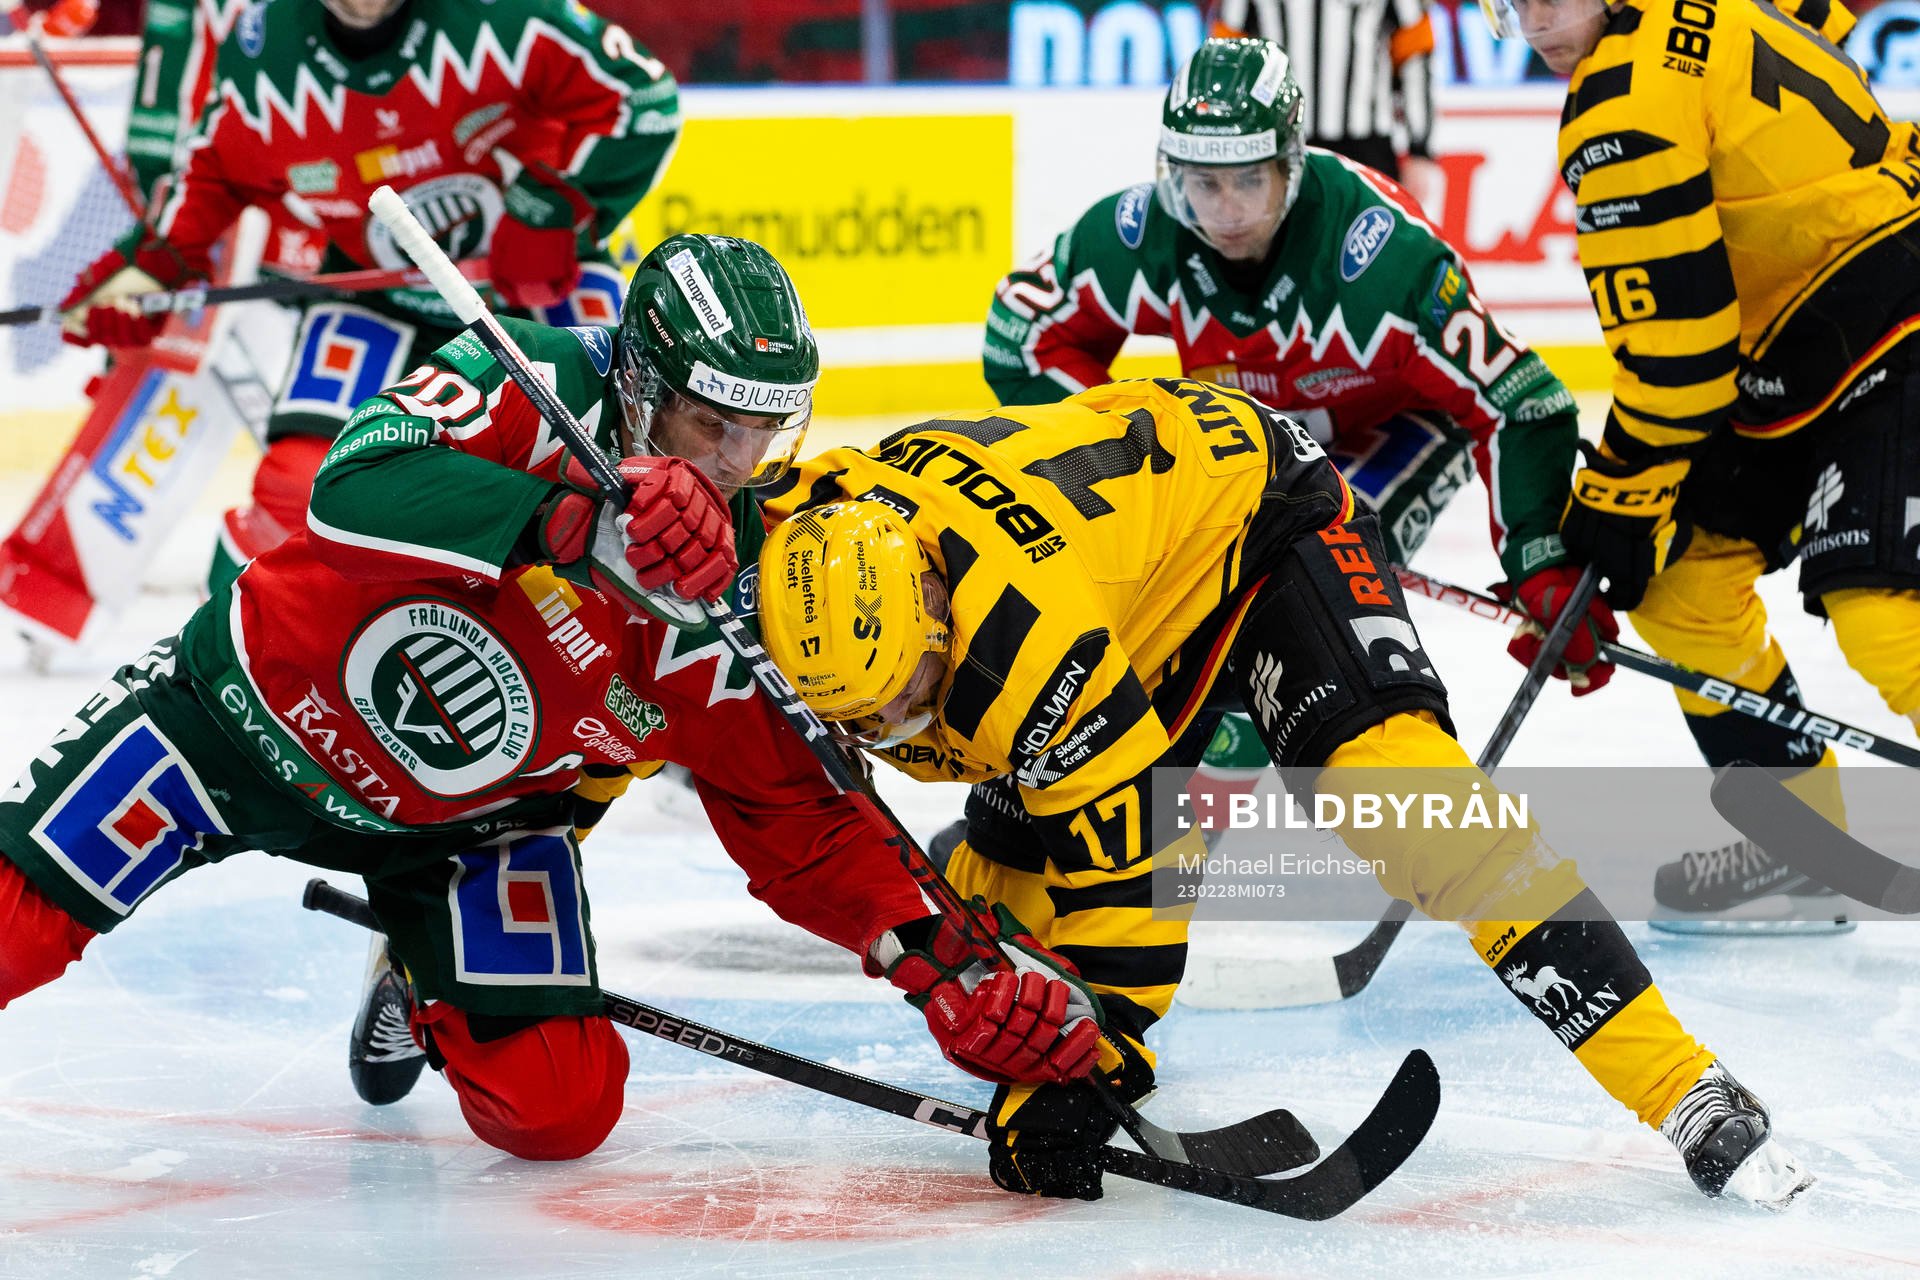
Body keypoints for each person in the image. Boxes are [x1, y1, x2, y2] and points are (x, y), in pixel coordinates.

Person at [0, 233, 1103, 1160]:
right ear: (641, 383)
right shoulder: (529, 378)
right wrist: (573, 519)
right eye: (712, 422)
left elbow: (803, 815)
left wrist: (940, 960)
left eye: (764, 427)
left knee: (559, 1108)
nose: (738, 459)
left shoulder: (738, 590)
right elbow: (352, 486)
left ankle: (417, 968)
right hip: (240, 718)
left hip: (462, 830)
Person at [755, 376, 1812, 1208]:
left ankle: (1685, 1086)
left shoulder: (1024, 651)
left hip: (1259, 525)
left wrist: (1088, 1060)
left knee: (1421, 815)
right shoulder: (788, 557)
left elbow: (1143, 879)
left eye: (914, 692)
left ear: (935, 600)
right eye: (870, 719)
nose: (900, 725)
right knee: (1005, 916)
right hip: (1123, 585)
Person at [985, 37, 1611, 792]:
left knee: (1299, 602)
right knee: (1166, 609)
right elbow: (1021, 336)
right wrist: (1125, 460)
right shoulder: (1144, 233)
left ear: (1291, 161)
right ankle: (1088, 812)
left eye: (1250, 180)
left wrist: (1538, 555)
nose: (1225, 212)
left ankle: (1186, 817)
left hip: (1393, 428)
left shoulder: (1383, 257)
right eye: (1202, 184)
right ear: (1171, 172)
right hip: (1249, 444)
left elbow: (1518, 401)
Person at [1489, 0, 1920, 927]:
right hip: (1803, 347)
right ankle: (1800, 845)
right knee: (1680, 579)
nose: (1534, 20)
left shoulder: (1621, 101)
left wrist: (1608, 512)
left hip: (1895, 319)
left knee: (1884, 609)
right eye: (1513, 1)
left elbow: (1681, 362)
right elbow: (1827, 24)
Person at [58, 0, 683, 594]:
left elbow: (643, 98)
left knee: (620, 487)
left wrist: (553, 208)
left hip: (538, 289)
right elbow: (211, 174)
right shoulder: (262, 52)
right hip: (381, 299)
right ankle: (250, 657)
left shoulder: (505, 16)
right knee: (298, 494)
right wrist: (150, 269)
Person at [1208, 0, 1441, 208]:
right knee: (1291, 240)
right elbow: (1227, 55)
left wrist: (1419, 149)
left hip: (1366, 144)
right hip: (1280, 143)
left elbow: (1415, 51)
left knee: (1371, 237)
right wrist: (1228, 141)